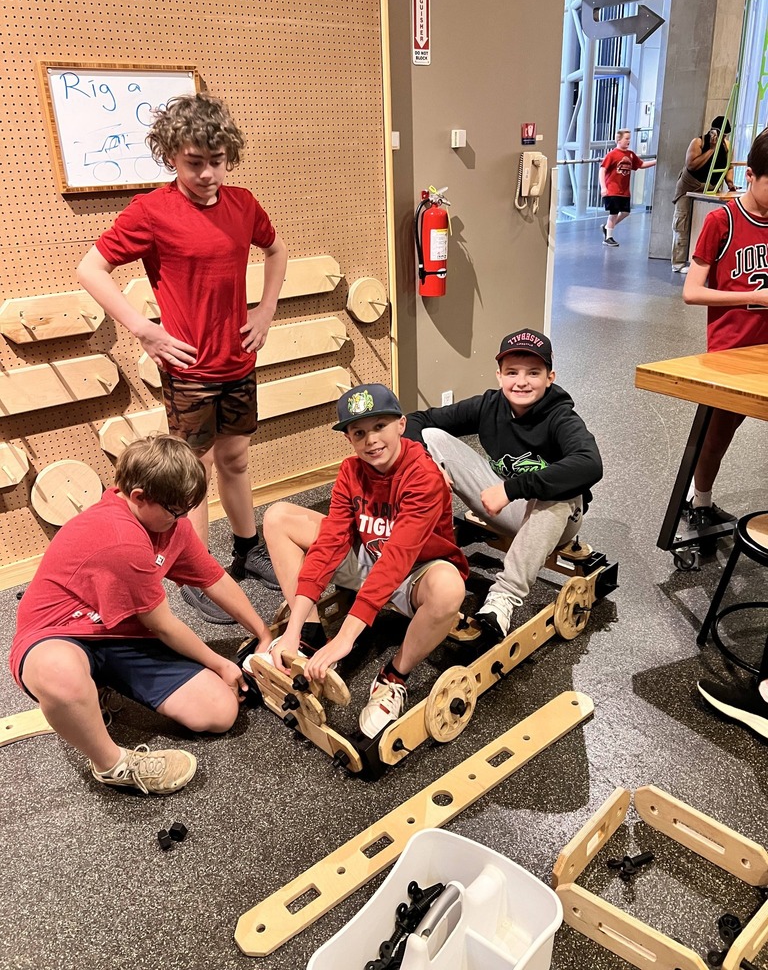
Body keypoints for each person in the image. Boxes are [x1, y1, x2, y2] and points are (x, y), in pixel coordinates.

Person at [77, 93, 288, 623]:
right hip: (190, 368)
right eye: (196, 163)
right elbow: (91, 269)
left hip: (238, 360)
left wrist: (264, 310)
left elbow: (276, 251)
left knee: (236, 460)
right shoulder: (152, 211)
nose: (209, 174)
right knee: (193, 474)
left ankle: (246, 547)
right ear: (171, 154)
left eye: (218, 161)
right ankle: (197, 568)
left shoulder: (243, 204)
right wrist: (143, 329)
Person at [8, 436, 273, 795]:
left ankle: (97, 686)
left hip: (122, 632)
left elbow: (213, 577)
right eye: (176, 511)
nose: (182, 520)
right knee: (61, 675)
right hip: (58, 634)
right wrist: (222, 664)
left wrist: (263, 632)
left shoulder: (168, 524)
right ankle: (112, 764)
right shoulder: (121, 539)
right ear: (138, 496)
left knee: (219, 712)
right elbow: (164, 626)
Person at [256, 384, 469, 738]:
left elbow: (398, 558)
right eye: (359, 432)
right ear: (350, 440)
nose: (370, 440)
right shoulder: (350, 471)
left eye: (379, 426)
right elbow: (329, 545)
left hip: (414, 573)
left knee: (449, 588)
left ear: (401, 425)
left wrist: (346, 638)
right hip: (370, 557)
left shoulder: (424, 477)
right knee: (278, 516)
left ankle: (394, 677)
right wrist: (292, 631)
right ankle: (308, 636)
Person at [405, 328, 602, 639]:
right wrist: (429, 468)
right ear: (499, 376)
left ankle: (504, 598)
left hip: (557, 519)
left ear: (550, 377)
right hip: (507, 508)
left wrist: (511, 490)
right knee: (429, 439)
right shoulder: (489, 405)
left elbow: (590, 464)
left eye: (533, 373)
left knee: (560, 491)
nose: (521, 381)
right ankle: (416, 550)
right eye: (512, 372)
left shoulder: (561, 417)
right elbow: (417, 421)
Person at [681, 128, 768, 531]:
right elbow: (692, 292)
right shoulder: (722, 221)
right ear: (749, 175)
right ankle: (701, 502)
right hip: (731, 352)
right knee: (718, 435)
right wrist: (757, 297)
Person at [672, 116, 736, 274]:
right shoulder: (698, 142)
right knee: (682, 222)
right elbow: (692, 165)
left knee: (704, 224)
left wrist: (730, 183)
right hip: (689, 187)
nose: (723, 138)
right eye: (721, 134)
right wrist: (712, 150)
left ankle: (701, 263)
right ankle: (678, 263)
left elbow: (728, 167)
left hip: (710, 188)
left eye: (725, 135)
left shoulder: (726, 145)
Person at [599, 128, 656, 247]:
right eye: (626, 138)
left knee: (625, 212)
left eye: (629, 139)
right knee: (613, 213)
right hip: (612, 189)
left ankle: (607, 227)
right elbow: (602, 170)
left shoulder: (630, 154)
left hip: (624, 191)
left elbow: (641, 165)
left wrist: (655, 162)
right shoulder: (612, 155)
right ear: (619, 140)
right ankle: (608, 237)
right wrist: (603, 187)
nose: (628, 141)